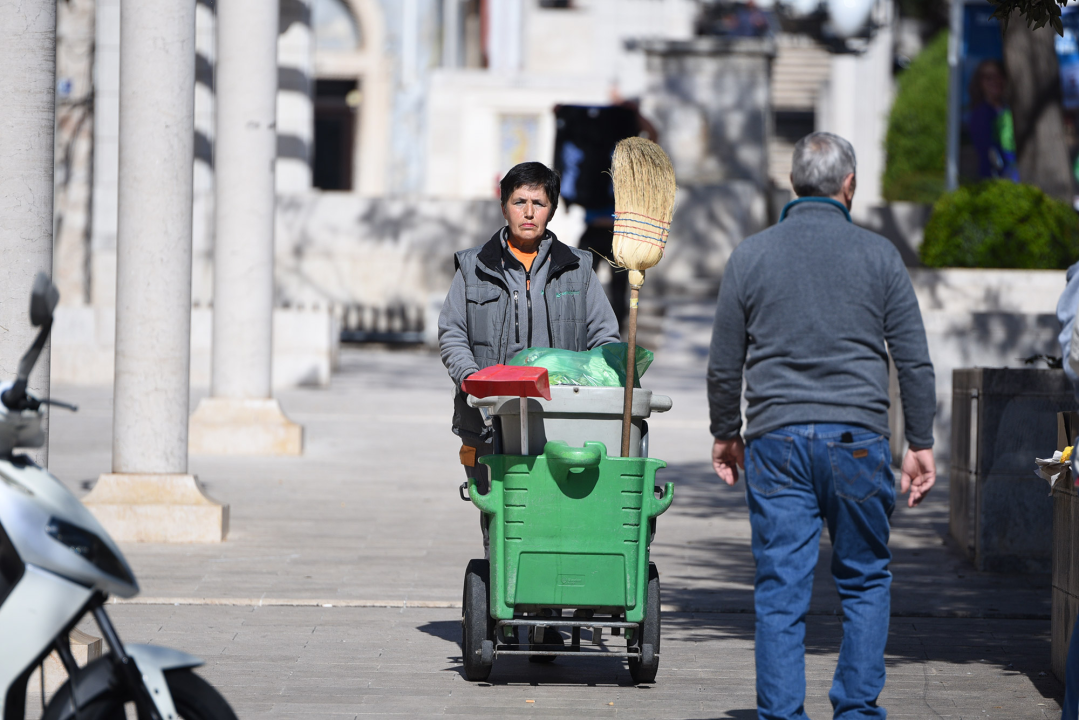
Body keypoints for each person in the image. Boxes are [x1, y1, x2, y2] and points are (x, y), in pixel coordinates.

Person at [707, 132, 938, 720]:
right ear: (849, 184)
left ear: (793, 182)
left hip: (776, 438)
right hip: (857, 438)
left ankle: (782, 714)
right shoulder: (880, 255)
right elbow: (912, 360)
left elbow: (724, 362)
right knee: (864, 579)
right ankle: (856, 711)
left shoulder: (751, 255)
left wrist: (726, 432)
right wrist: (920, 442)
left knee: (781, 587)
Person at [438, 161, 620, 550]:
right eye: (519, 201)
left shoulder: (578, 268)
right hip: (488, 419)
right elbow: (452, 333)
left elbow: (605, 337)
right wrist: (473, 380)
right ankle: (503, 585)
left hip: (563, 421)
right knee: (502, 522)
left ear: (551, 209)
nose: (529, 212)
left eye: (539, 203)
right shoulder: (472, 268)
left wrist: (595, 383)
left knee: (561, 517)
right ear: (504, 206)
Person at [967, 59, 1019, 181]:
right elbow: (986, 151)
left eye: (999, 75)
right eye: (988, 77)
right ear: (980, 83)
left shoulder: (1013, 109)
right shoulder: (980, 114)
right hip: (997, 177)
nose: (995, 81)